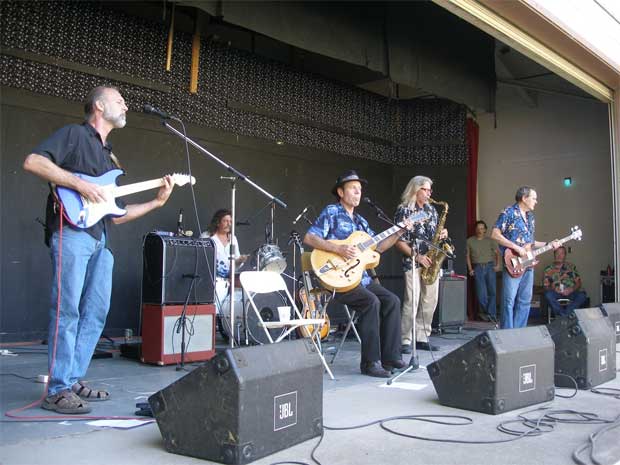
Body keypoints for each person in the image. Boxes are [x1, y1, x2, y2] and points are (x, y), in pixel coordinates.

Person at [23, 86, 175, 414]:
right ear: (98, 106)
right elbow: (34, 162)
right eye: (119, 100)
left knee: (95, 311)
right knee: (67, 310)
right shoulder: (75, 136)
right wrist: (79, 184)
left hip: (100, 240)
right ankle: (58, 388)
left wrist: (156, 201)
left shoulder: (109, 158)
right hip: (72, 234)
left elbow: (118, 217)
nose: (126, 105)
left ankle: (72, 377)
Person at [304, 170, 409, 378]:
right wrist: (338, 249)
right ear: (341, 192)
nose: (358, 193)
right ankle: (370, 363)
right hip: (336, 278)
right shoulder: (331, 211)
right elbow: (310, 238)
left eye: (360, 190)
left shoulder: (361, 222)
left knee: (392, 301)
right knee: (371, 302)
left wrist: (399, 231)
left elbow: (377, 248)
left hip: (361, 279)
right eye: (353, 188)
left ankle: (391, 358)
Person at [491, 186, 559, 329]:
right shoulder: (508, 212)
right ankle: (507, 334)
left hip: (528, 262)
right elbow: (495, 235)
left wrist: (548, 243)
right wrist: (516, 248)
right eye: (533, 198)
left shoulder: (530, 217)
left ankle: (519, 333)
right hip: (513, 262)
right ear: (524, 198)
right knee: (509, 300)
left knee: (525, 300)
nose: (536, 201)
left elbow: (530, 243)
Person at [394, 176, 447, 353]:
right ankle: (405, 339)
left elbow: (434, 234)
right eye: (426, 189)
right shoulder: (404, 210)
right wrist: (418, 257)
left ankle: (422, 337)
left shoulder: (432, 210)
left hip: (431, 261)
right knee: (412, 300)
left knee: (430, 300)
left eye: (430, 190)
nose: (429, 193)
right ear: (415, 189)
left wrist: (442, 235)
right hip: (413, 261)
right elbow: (398, 241)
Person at [201, 209, 249, 311]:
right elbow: (201, 261)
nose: (229, 224)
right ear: (218, 222)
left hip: (228, 280)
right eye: (225, 221)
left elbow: (235, 263)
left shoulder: (233, 238)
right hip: (211, 281)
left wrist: (240, 261)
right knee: (213, 310)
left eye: (230, 221)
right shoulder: (207, 236)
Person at [466, 220, 500, 322]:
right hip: (478, 268)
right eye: (478, 228)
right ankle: (487, 313)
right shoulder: (469, 241)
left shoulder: (491, 240)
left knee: (492, 292)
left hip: (490, 266)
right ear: (475, 230)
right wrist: (470, 269)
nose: (480, 230)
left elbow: (497, 253)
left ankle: (491, 315)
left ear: (485, 230)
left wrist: (498, 265)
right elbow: (467, 256)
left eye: (482, 228)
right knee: (481, 295)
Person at [543, 246, 587, 317]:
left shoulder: (571, 267)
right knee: (548, 295)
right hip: (556, 293)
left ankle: (563, 316)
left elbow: (579, 283)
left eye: (562, 253)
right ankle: (565, 316)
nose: (559, 256)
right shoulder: (548, 269)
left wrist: (571, 289)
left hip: (571, 292)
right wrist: (554, 289)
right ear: (554, 255)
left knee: (582, 295)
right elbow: (546, 287)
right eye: (557, 253)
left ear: (565, 255)